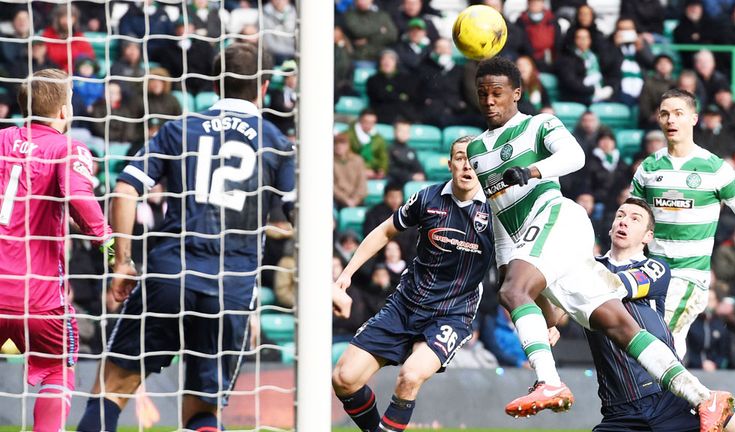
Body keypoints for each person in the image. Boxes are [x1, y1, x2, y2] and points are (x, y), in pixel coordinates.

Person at [466, 57, 733, 431]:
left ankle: (548, 382)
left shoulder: (538, 124)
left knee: (514, 292)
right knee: (618, 326)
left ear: (517, 93)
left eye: (497, 93)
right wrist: (506, 266)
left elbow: (575, 156)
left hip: (559, 220)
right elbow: (499, 216)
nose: (490, 101)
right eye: (483, 94)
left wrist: (532, 170)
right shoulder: (477, 150)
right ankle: (704, 398)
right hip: (533, 242)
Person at [76, 43, 295, 432]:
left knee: (111, 391)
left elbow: (126, 189)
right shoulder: (276, 142)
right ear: (263, 87)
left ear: (214, 84)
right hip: (231, 288)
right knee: (202, 412)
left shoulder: (180, 128)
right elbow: (300, 218)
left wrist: (122, 261)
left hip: (170, 273)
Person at [332, 136, 494, 432]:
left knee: (410, 375)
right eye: (459, 157)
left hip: (451, 313)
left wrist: (545, 318)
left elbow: (522, 266)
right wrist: (346, 274)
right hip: (405, 304)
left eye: (473, 158)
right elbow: (383, 232)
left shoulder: (497, 214)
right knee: (344, 379)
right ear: (449, 164)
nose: (466, 164)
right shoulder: (427, 198)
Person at [583, 198, 735, 432]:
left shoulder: (655, 268)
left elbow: (616, 286)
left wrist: (575, 273)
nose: (624, 222)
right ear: (610, 227)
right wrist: (551, 322)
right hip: (619, 411)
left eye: (634, 218)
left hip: (667, 396)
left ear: (648, 236)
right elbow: (554, 306)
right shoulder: (588, 269)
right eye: (620, 215)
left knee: (733, 422)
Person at [0, 68, 111, 431]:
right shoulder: (67, 148)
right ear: (64, 111)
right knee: (57, 368)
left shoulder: (1, 140)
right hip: (38, 295)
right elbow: (80, 197)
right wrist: (109, 243)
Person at [631, 88, 735, 359]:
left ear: (694, 119)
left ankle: (673, 399)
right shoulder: (649, 167)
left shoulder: (715, 168)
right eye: (665, 114)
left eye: (678, 114)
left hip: (690, 275)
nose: (671, 120)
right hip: (652, 271)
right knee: (660, 342)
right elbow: (632, 217)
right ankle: (685, 399)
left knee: (662, 339)